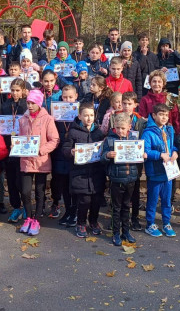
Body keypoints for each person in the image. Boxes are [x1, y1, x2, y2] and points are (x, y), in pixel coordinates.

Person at [18, 90, 59, 236]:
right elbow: (20, 138)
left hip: (41, 161)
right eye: (28, 103)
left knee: (40, 191)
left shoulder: (47, 119)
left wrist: (41, 150)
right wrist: (16, 146)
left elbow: (54, 139)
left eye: (32, 103)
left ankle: (37, 218)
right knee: (25, 191)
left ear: (39, 103)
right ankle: (28, 217)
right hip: (26, 161)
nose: (29, 105)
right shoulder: (22, 119)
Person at [63, 102, 105, 238]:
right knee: (84, 200)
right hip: (80, 173)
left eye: (91, 115)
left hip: (96, 173)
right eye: (86, 115)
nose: (89, 118)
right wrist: (71, 152)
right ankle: (81, 223)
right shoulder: (73, 132)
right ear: (79, 116)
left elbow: (103, 149)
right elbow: (65, 149)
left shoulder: (98, 132)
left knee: (96, 200)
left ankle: (93, 221)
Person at [101, 112, 143, 246]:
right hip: (116, 180)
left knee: (126, 206)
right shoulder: (109, 140)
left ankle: (126, 232)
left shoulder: (134, 140)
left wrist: (143, 155)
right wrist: (107, 154)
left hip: (131, 178)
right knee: (116, 208)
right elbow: (101, 158)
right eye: (118, 128)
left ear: (129, 127)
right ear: (114, 127)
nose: (120, 130)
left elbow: (139, 157)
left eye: (123, 128)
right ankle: (115, 233)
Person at [143, 103, 178, 237]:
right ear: (154, 115)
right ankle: (150, 224)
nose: (164, 117)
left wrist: (175, 152)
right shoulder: (148, 132)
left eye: (166, 115)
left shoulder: (169, 130)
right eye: (161, 114)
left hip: (168, 171)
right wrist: (159, 155)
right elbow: (145, 151)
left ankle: (166, 222)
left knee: (166, 200)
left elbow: (172, 145)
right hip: (155, 171)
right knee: (152, 200)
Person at [48, 84, 78, 224]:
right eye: (65, 97)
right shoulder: (55, 111)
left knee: (74, 185)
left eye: (70, 97)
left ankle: (75, 212)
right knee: (64, 184)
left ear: (76, 97)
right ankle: (67, 211)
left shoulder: (80, 112)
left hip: (75, 153)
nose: (67, 100)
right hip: (59, 153)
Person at [0, 79, 28, 224]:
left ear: (23, 91)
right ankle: (16, 206)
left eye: (18, 90)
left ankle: (26, 207)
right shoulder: (5, 106)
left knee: (22, 181)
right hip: (8, 147)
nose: (15, 93)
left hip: (22, 148)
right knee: (10, 181)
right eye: (13, 90)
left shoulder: (26, 106)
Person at [121, 91, 147, 230]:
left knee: (135, 190)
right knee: (119, 190)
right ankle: (118, 218)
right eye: (124, 103)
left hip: (136, 161)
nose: (126, 106)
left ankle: (135, 217)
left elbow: (144, 140)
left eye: (129, 104)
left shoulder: (141, 121)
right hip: (120, 160)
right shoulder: (115, 118)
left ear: (135, 105)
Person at [138, 69, 180, 134]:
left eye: (159, 82)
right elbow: (142, 119)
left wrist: (177, 134)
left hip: (168, 133)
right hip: (151, 133)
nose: (156, 84)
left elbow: (176, 119)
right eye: (154, 81)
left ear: (163, 83)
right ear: (150, 83)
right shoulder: (145, 99)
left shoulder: (170, 98)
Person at [133, 33, 160, 97]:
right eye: (142, 40)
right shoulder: (134, 55)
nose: (144, 42)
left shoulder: (153, 56)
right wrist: (143, 55)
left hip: (151, 82)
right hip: (140, 82)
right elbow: (138, 68)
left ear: (148, 42)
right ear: (139, 41)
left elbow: (156, 68)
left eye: (146, 40)